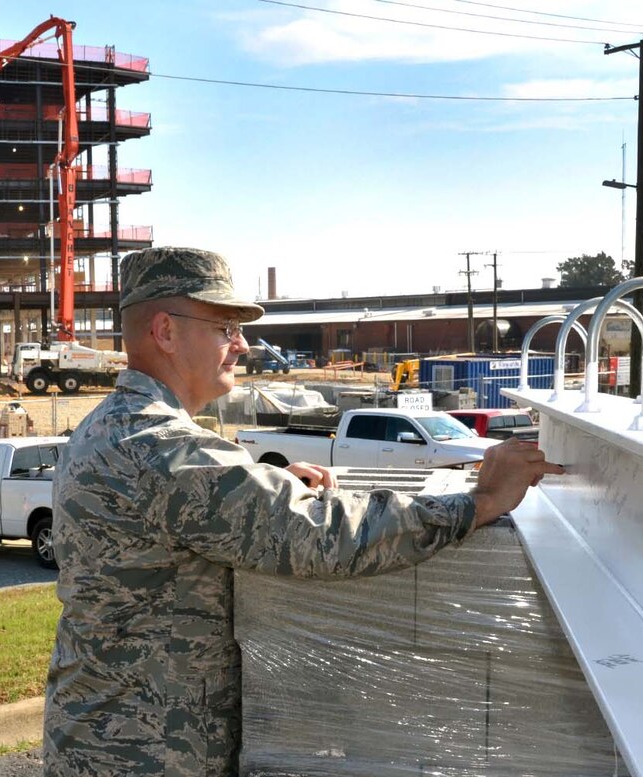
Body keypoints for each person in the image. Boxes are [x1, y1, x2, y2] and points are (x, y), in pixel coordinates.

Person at [43, 246, 563, 776]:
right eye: (225, 326)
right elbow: (324, 536)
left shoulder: (113, 423)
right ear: (166, 331)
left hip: (107, 729)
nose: (241, 345)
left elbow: (189, 513)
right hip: (145, 750)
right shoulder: (163, 446)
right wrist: (479, 503)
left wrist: (266, 487)